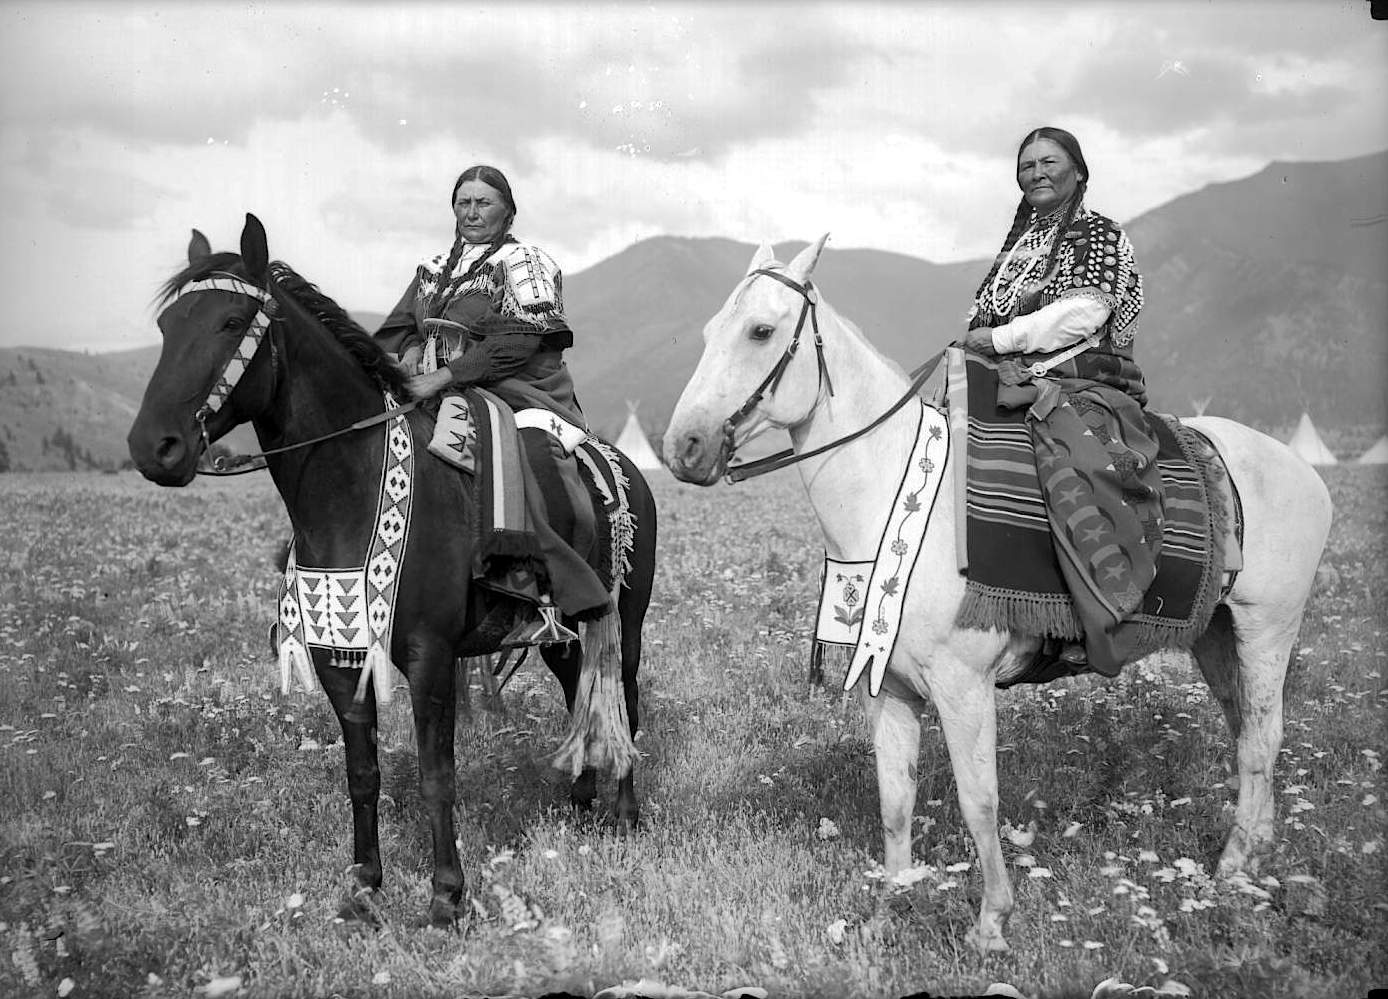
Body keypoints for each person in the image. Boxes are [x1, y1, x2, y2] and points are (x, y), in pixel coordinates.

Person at [962, 126, 1164, 677]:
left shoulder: (1098, 233)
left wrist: (1003, 340)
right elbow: (983, 317)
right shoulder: (1018, 250)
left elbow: (1084, 313)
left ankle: (1088, 615)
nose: (1037, 173)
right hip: (1008, 375)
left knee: (1078, 464)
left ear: (1078, 170)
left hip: (1081, 381)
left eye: (1049, 162)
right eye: (1027, 166)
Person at [374, 164, 609, 635]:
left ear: (508, 210)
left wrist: (444, 376)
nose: (472, 212)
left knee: (534, 451)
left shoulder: (526, 263)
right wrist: (413, 350)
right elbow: (399, 328)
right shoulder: (433, 270)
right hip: (435, 386)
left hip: (518, 387)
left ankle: (548, 585)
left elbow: (520, 340)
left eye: (484, 202)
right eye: (464, 202)